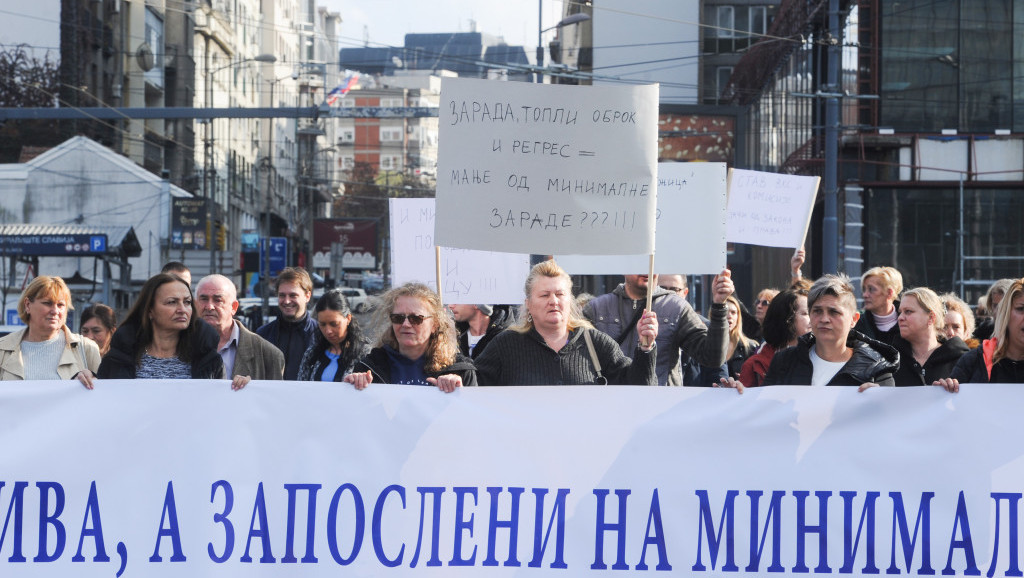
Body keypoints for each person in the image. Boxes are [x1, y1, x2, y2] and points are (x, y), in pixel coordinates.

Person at [476, 260, 658, 386]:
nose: (553, 301)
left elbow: (639, 388)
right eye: (545, 295)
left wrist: (646, 347)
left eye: (560, 294)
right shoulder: (506, 345)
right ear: (528, 305)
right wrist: (454, 377)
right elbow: (473, 386)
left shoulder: (595, 343)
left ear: (569, 300)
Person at [720, 275, 898, 391]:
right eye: (817, 311)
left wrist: (879, 403)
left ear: (854, 319)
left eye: (834, 312)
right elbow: (764, 414)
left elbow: (889, 428)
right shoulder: (784, 362)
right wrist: (738, 397)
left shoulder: (878, 370)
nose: (824, 319)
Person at [583, 270, 731, 386]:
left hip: (660, 410)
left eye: (651, 261)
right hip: (610, 408)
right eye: (638, 262)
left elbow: (712, 358)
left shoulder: (676, 307)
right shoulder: (597, 309)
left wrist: (719, 305)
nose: (645, 269)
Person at [98, 273, 235, 384]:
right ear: (150, 310)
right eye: (172, 302)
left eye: (187, 302)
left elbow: (218, 406)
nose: (182, 309)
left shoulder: (208, 358)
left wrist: (241, 387)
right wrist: (88, 379)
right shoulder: (119, 358)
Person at [344, 283, 476, 392]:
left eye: (416, 318)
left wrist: (460, 392)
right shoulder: (369, 368)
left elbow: (474, 418)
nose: (406, 324)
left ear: (435, 324)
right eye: (398, 318)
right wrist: (354, 387)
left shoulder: (460, 370)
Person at [0, 276, 100, 387]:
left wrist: (92, 380)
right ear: (28, 305)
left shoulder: (87, 348)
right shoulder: (2, 349)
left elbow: (103, 398)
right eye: (47, 303)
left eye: (61, 305)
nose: (55, 311)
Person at [938, 278, 1024, 390]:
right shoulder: (973, 361)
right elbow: (952, 406)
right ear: (1005, 314)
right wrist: (945, 392)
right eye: (1021, 309)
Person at [195, 274, 284, 381]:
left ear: (234, 307)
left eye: (217, 300)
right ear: (195, 305)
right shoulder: (177, 347)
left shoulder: (268, 355)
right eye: (204, 299)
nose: (209, 306)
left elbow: (272, 396)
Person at [893, 288, 968, 386]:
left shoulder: (961, 360)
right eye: (900, 312)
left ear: (931, 317)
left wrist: (954, 389)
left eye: (908, 311)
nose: (900, 318)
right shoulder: (890, 359)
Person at [738, 287, 810, 387]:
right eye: (806, 313)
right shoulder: (754, 365)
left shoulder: (822, 358)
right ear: (786, 318)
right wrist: (734, 391)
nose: (815, 318)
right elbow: (745, 402)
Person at [257, 267, 318, 380]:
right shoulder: (263, 334)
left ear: (307, 296)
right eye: (282, 295)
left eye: (293, 295)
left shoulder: (320, 335)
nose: (287, 301)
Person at [298, 289, 368, 382]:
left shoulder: (366, 354)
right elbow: (300, 389)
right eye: (322, 324)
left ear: (348, 318)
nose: (328, 331)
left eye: (334, 324)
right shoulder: (312, 353)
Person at [854, 266, 905, 347]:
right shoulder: (856, 323)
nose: (865, 295)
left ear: (889, 293)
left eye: (871, 289)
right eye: (864, 289)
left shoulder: (908, 322)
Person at [723, 294, 759, 379]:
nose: (729, 316)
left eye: (733, 312)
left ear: (738, 317)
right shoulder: (707, 345)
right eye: (725, 311)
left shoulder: (751, 347)